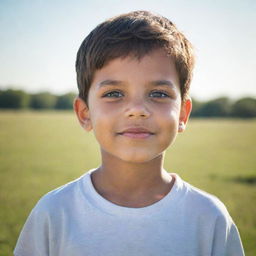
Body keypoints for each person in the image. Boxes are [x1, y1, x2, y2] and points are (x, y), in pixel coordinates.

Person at [14, 10, 244, 256]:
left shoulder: (209, 218)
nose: (137, 110)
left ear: (182, 114)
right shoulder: (54, 212)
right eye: (114, 93)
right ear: (85, 113)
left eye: (159, 94)